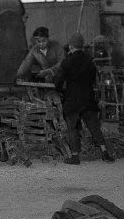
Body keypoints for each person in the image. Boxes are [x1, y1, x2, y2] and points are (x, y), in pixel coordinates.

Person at [49, 32, 114, 165]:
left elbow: (58, 82)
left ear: (71, 46)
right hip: (88, 100)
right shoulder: (90, 61)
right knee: (94, 127)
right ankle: (105, 152)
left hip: (72, 100)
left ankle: (74, 156)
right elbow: (93, 79)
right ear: (82, 46)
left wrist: (61, 90)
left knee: (72, 128)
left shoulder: (67, 61)